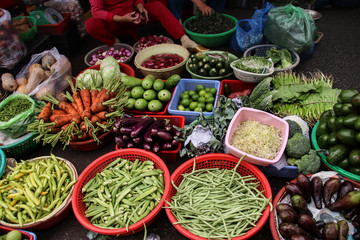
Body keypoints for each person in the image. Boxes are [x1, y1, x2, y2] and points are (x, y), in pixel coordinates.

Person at [85, 0, 209, 52]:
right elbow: (96, 12)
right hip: (114, 21)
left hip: (134, 16)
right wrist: (120, 18)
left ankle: (185, 40)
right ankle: (114, 42)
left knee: (158, 6)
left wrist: (140, 6)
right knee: (90, 24)